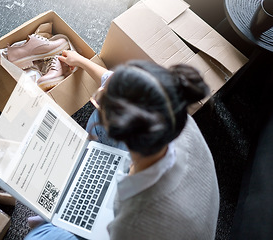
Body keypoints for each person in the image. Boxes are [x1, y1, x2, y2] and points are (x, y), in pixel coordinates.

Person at [25, 50, 220, 240]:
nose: (99, 96)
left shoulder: (132, 224)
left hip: (152, 223)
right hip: (180, 198)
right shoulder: (174, 115)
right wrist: (81, 61)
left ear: (125, 135)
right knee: (98, 118)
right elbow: (117, 85)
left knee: (39, 236)